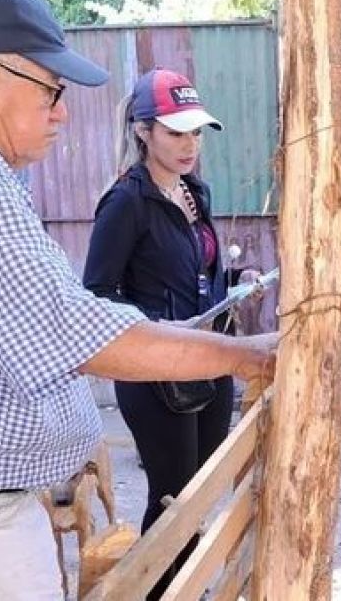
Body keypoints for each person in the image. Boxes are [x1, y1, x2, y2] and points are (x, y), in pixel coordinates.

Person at [0, 0, 275, 601]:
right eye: (50, 89)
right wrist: (252, 354)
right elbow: (73, 328)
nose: (61, 110)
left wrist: (188, 333)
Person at [82, 68, 252, 597]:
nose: (189, 145)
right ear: (143, 130)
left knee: (201, 494)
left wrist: (236, 283)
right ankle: (161, 591)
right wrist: (158, 326)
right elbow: (96, 297)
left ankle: (187, 587)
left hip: (207, 362)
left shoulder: (193, 191)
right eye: (176, 132)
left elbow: (194, 276)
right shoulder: (125, 202)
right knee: (171, 499)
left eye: (196, 132)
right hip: (154, 374)